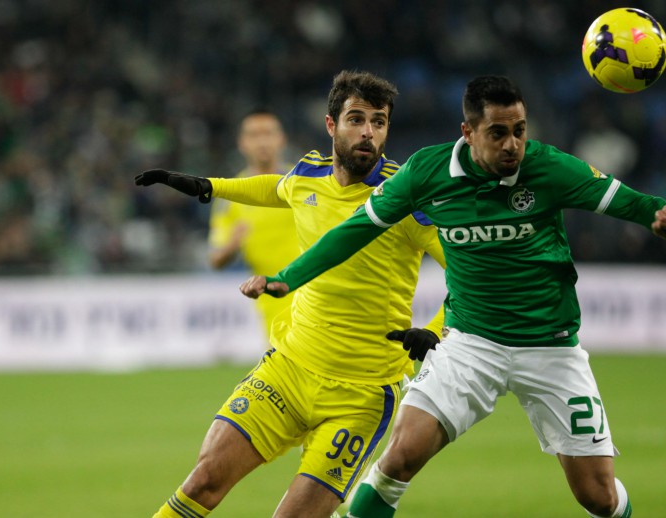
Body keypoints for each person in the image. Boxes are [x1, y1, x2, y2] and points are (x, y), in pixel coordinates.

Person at [241, 76, 666, 518]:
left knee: (597, 497)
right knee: (401, 455)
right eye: (497, 133)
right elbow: (355, 230)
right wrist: (288, 279)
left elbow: (627, 201)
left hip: (550, 346)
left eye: (519, 130)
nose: (512, 145)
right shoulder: (428, 172)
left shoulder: (548, 167)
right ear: (469, 132)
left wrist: (659, 215)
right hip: (471, 343)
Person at [135, 70, 447, 518]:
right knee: (203, 482)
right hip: (289, 368)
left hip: (360, 397)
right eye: (356, 120)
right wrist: (209, 186)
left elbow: (468, 274)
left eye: (378, 122)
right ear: (331, 125)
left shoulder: (406, 199)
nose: (368, 132)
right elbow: (276, 187)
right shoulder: (308, 174)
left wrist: (434, 330)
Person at [207, 109, 299, 339]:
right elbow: (215, 259)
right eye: (254, 135)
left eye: (268, 133)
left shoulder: (303, 182)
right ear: (242, 143)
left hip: (314, 294)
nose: (262, 142)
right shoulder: (231, 194)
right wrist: (232, 244)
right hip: (272, 303)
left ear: (281, 139)